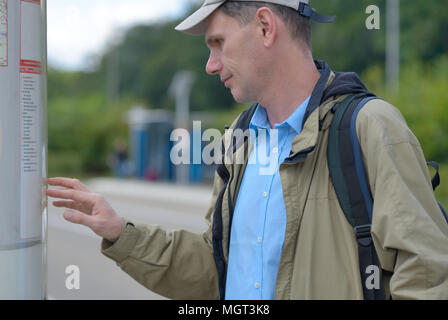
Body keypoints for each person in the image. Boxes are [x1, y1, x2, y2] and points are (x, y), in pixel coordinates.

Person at [46, 0, 448, 299]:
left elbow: (429, 276)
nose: (210, 64)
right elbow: (214, 267)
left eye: (218, 43)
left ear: (265, 27)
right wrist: (120, 233)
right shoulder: (238, 142)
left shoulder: (369, 125)